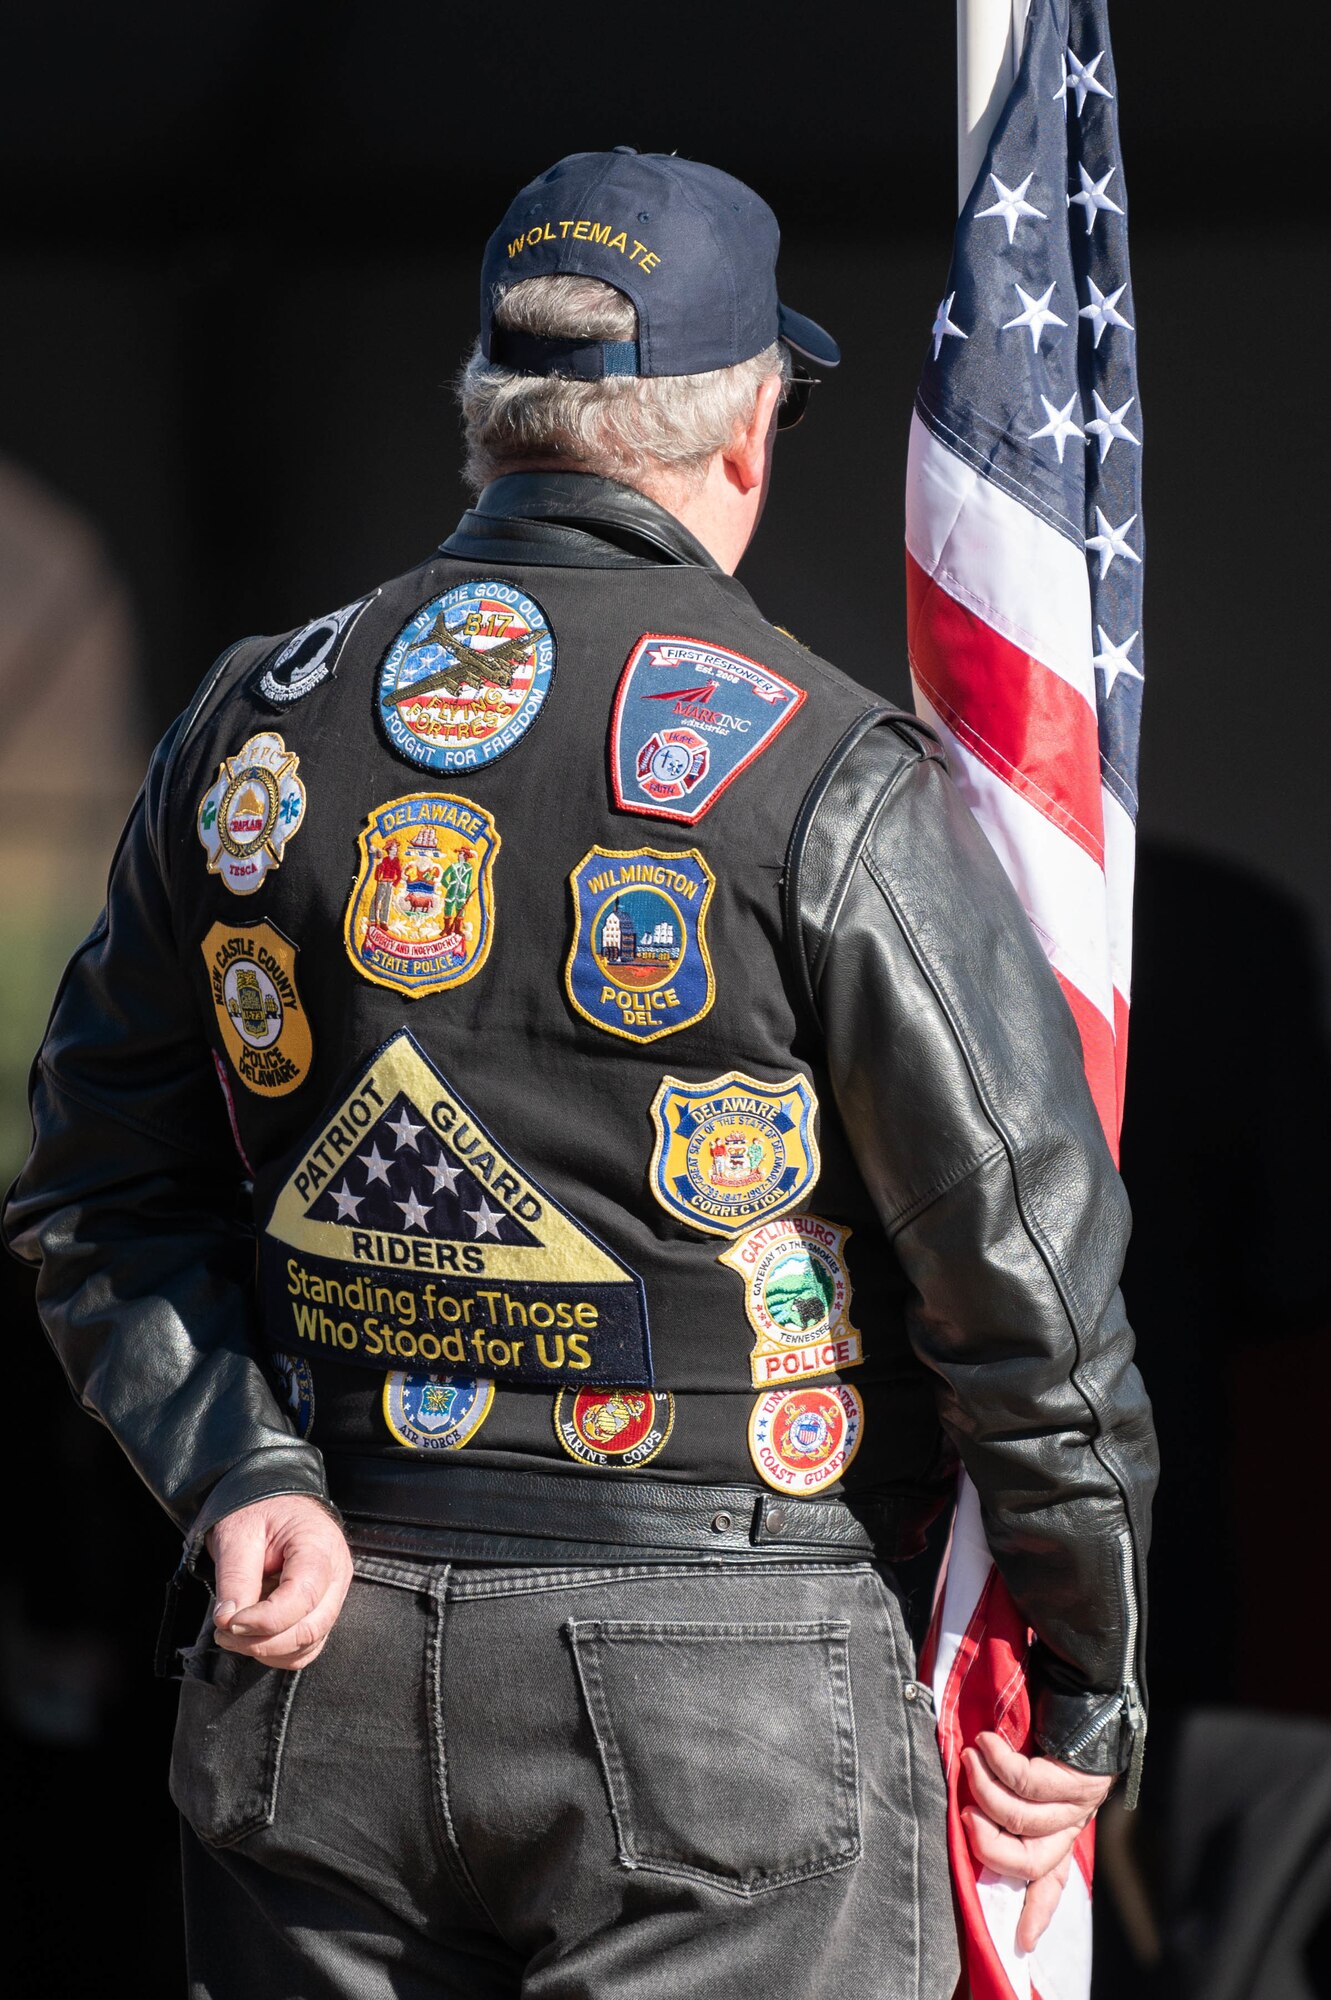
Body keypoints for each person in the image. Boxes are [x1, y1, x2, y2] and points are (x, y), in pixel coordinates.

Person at [3, 149, 1156, 2000]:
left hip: (320, 1657)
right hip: (733, 1689)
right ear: (754, 431)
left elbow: (91, 1188)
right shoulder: (824, 775)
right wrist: (1089, 1683)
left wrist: (241, 1473)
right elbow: (1025, 1278)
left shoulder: (253, 724)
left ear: (489, 413)